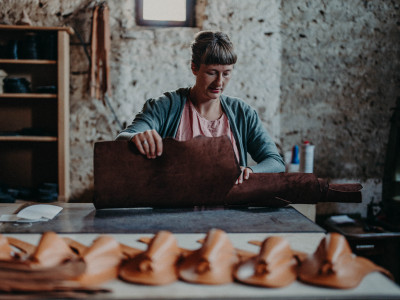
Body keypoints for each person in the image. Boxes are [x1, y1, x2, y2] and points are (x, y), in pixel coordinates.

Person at [116, 30, 285, 183]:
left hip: (231, 214)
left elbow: (275, 162)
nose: (219, 82)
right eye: (211, 73)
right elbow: (123, 138)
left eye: (226, 73)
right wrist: (135, 137)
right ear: (194, 68)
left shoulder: (243, 113)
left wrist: (249, 170)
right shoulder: (165, 106)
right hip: (174, 213)